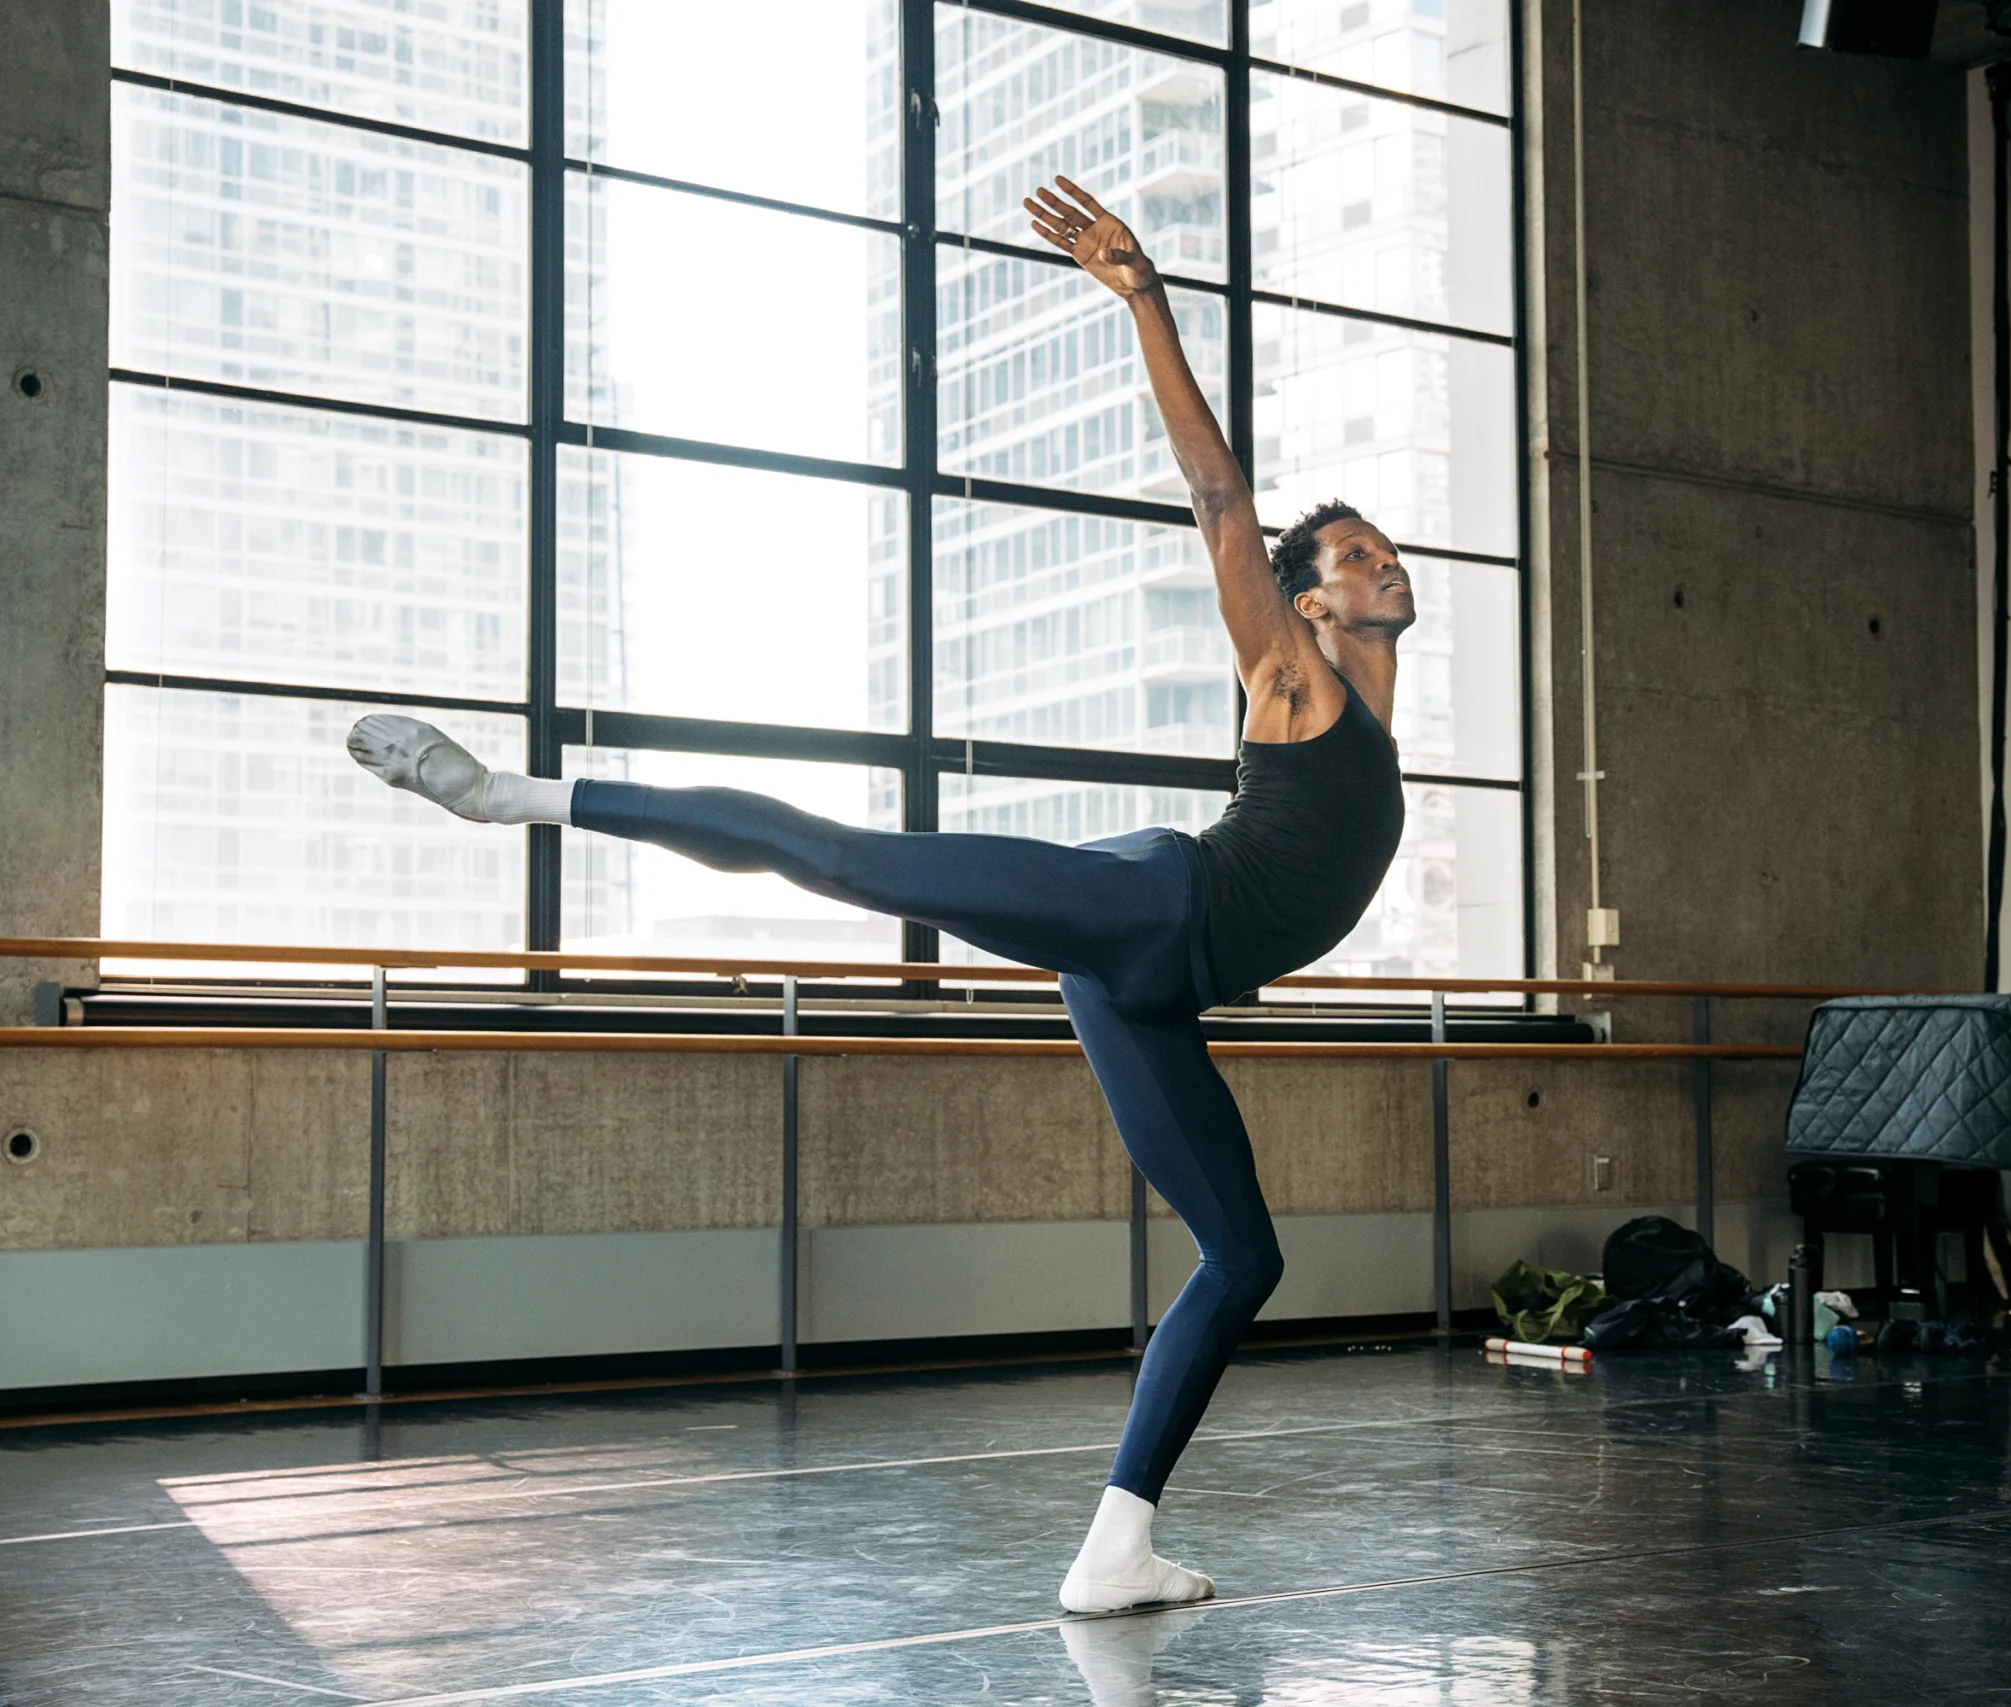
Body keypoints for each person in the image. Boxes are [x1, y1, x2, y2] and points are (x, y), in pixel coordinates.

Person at [345, 176, 1414, 1614]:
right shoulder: (1290, 673)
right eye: (1355, 554)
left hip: (1157, 981)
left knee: (1245, 1255)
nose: (1384, 559)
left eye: (1382, 547)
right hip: (1147, 912)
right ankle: (516, 795)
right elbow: (1219, 494)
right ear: (1309, 601)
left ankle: (1115, 1550)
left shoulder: (1381, 722)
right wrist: (1147, 296)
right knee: (843, 854)